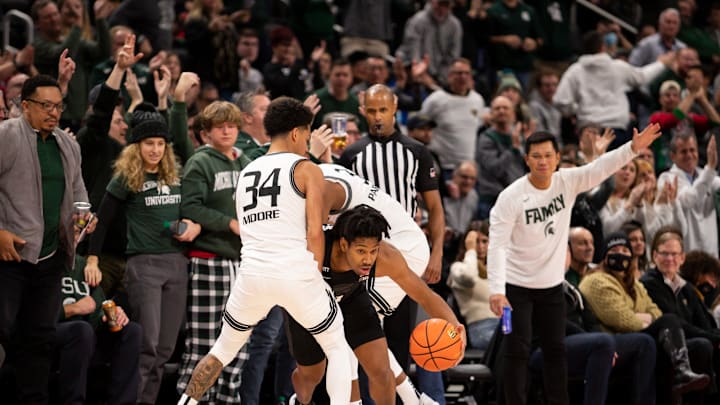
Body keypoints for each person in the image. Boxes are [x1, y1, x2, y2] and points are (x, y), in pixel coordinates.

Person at [177, 97, 353, 405]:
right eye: (308, 134)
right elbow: (315, 229)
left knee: (221, 350)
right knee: (338, 347)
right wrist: (315, 278)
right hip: (295, 271)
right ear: (297, 133)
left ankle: (185, 403)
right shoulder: (307, 169)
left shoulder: (247, 170)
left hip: (251, 275)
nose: (308, 141)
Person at [487, 123, 663, 405]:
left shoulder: (566, 182)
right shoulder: (510, 197)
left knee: (556, 352)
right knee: (515, 351)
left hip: (552, 287)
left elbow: (600, 169)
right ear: (527, 160)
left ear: (557, 158)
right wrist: (497, 290)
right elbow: (496, 246)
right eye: (536, 156)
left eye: (548, 155)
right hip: (515, 288)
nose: (543, 161)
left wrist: (633, 148)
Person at [288, 205, 466, 405]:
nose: (368, 259)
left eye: (373, 251)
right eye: (361, 251)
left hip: (350, 297)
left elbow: (424, 295)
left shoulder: (385, 258)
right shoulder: (315, 247)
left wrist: (455, 324)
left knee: (381, 372)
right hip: (308, 301)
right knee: (311, 376)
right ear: (344, 244)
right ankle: (299, 401)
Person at [85, 102, 199, 403]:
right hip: (143, 264)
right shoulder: (126, 177)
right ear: (137, 146)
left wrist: (190, 223)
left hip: (177, 263)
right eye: (149, 143)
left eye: (161, 144)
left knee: (165, 348)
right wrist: (93, 257)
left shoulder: (175, 175)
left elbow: (189, 212)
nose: (156, 150)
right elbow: (102, 219)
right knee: (147, 344)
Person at [0, 74, 92, 403]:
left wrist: (84, 217)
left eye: (58, 106)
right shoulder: (6, 136)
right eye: (46, 106)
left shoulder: (68, 144)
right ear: (25, 106)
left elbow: (80, 194)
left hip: (51, 257)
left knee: (39, 338)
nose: (54, 112)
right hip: (10, 257)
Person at [176, 100, 252, 403]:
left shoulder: (245, 161)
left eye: (232, 125)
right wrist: (228, 222)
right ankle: (193, 400)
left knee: (239, 344)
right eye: (220, 126)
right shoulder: (200, 162)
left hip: (242, 263)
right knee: (204, 344)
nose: (227, 131)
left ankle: (227, 399)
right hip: (209, 261)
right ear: (205, 132)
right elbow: (190, 206)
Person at [580, 232, 711, 403]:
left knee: (701, 345)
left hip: (641, 335)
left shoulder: (633, 283)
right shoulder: (595, 281)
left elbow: (655, 311)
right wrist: (645, 318)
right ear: (605, 255)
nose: (621, 255)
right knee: (667, 322)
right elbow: (624, 320)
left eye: (625, 251)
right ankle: (681, 371)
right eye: (615, 250)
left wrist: (643, 316)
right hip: (616, 340)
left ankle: (688, 379)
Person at [53, 255, 142, 404]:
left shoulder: (84, 265)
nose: (74, 237)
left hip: (85, 338)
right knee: (81, 330)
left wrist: (109, 316)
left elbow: (97, 310)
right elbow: (31, 316)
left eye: (78, 232)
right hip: (52, 334)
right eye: (71, 232)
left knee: (132, 331)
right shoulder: (45, 260)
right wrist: (73, 309)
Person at [657, 133, 720, 257]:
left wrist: (709, 171)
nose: (689, 155)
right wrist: (710, 169)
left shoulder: (707, 176)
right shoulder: (666, 179)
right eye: (683, 151)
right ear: (672, 156)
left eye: (692, 150)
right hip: (685, 256)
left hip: (711, 255)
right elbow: (688, 200)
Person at [448, 221, 498, 350]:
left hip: (504, 327)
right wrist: (470, 251)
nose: (480, 247)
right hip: (481, 329)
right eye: (476, 242)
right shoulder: (458, 268)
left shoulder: (497, 270)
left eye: (484, 241)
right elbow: (470, 278)